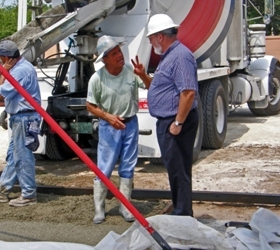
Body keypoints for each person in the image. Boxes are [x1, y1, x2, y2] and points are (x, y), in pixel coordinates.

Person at [132, 14, 199, 217]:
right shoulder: (169, 56)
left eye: (151, 38)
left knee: (179, 170)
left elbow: (188, 92)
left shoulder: (179, 56)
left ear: (160, 36)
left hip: (175, 122)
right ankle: (181, 210)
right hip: (169, 121)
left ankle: (183, 215)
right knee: (175, 169)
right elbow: (162, 89)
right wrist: (144, 76)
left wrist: (178, 122)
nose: (150, 42)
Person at [86, 35, 150, 224]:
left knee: (128, 166)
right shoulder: (97, 79)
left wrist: (143, 75)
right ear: (104, 59)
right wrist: (108, 117)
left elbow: (150, 86)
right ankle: (99, 209)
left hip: (130, 124)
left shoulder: (130, 71)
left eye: (119, 51)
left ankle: (125, 207)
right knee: (104, 168)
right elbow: (90, 105)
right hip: (109, 127)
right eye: (114, 53)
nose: (119, 56)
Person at [0, 40, 41, 207]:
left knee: (22, 157)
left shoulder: (18, 71)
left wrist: (4, 73)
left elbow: (1, 93)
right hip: (23, 116)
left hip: (25, 118)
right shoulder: (22, 67)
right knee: (13, 156)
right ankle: (3, 189)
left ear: (6, 58)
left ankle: (29, 194)